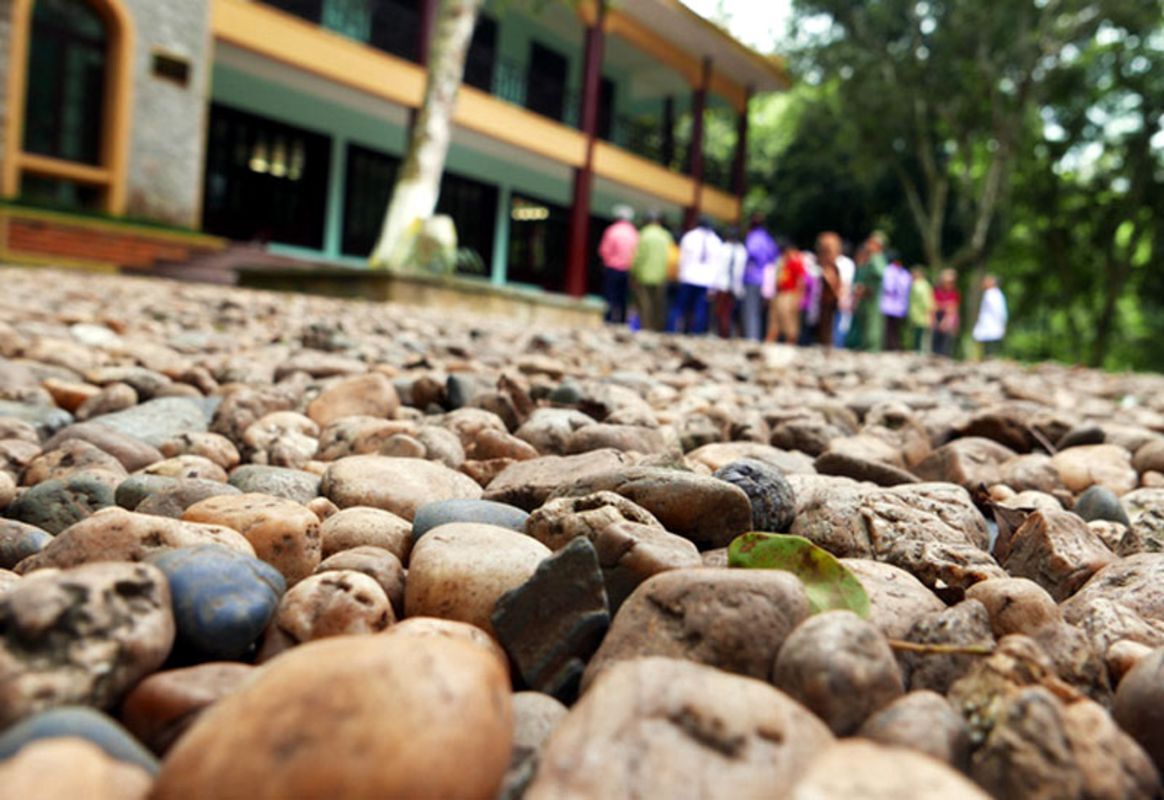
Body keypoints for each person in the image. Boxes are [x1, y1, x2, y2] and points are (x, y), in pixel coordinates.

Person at [668, 217, 721, 334]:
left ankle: (671, 330)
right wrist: (714, 285)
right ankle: (695, 333)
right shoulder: (716, 241)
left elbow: (682, 259)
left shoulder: (690, 237)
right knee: (699, 309)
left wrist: (680, 276)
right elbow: (717, 266)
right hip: (705, 280)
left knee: (679, 307)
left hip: (688, 277)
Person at [629, 211, 673, 332]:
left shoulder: (644, 234)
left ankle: (646, 327)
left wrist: (634, 273)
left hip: (644, 274)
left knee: (644, 304)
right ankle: (657, 328)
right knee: (658, 304)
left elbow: (639, 256)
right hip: (661, 275)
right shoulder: (666, 235)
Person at [597, 205, 638, 324]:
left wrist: (606, 262)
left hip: (612, 268)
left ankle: (608, 319)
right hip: (627, 270)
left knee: (610, 295)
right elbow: (636, 253)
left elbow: (604, 250)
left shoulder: (612, 230)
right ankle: (622, 320)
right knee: (623, 297)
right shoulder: (633, 232)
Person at [846, 232, 887, 351]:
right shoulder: (870, 258)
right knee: (864, 322)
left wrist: (868, 286)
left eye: (871, 243)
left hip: (873, 295)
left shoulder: (876, 257)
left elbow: (880, 274)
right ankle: (865, 345)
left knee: (873, 324)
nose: (868, 245)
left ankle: (872, 348)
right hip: (866, 295)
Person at [743, 213, 779, 341]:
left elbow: (749, 254)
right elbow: (774, 257)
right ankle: (756, 336)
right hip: (765, 280)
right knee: (758, 311)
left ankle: (750, 337)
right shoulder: (768, 239)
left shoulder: (752, 237)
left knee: (750, 309)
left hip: (752, 277)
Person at [766, 244, 806, 344]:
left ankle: (791, 341)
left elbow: (801, 281)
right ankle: (771, 339)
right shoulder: (782, 262)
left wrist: (799, 297)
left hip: (789, 294)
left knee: (788, 320)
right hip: (779, 293)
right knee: (774, 319)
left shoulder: (796, 263)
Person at [712, 226, 747, 337]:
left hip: (726, 285)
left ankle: (724, 333)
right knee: (725, 312)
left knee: (723, 312)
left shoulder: (724, 249)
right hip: (729, 286)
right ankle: (724, 333)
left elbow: (717, 268)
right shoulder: (741, 250)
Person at [815, 232, 843, 348]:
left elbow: (835, 284)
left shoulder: (833, 267)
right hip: (825, 300)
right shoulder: (829, 266)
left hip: (831, 301)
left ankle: (831, 345)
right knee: (825, 325)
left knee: (830, 325)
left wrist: (838, 295)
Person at [880, 258, 912, 351]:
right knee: (888, 327)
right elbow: (888, 287)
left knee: (897, 328)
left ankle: (896, 345)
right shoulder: (888, 271)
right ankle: (888, 345)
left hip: (899, 305)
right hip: (889, 304)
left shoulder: (904, 273)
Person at [973, 274, 1008, 358]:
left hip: (991, 322)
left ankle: (989, 357)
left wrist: (1001, 322)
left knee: (989, 340)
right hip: (990, 322)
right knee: (986, 340)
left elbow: (998, 310)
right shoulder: (994, 293)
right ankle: (987, 356)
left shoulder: (991, 294)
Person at [932, 268, 961, 357]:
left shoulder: (954, 293)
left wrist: (944, 321)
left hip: (949, 318)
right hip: (938, 316)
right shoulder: (937, 291)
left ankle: (945, 357)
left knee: (947, 340)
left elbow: (952, 308)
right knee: (936, 339)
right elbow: (934, 306)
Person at [907, 266, 935, 353]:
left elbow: (925, 301)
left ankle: (919, 351)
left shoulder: (917, 285)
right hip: (921, 314)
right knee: (922, 335)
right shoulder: (924, 285)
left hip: (919, 314)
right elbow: (927, 301)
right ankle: (921, 351)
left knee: (919, 335)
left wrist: (929, 311)